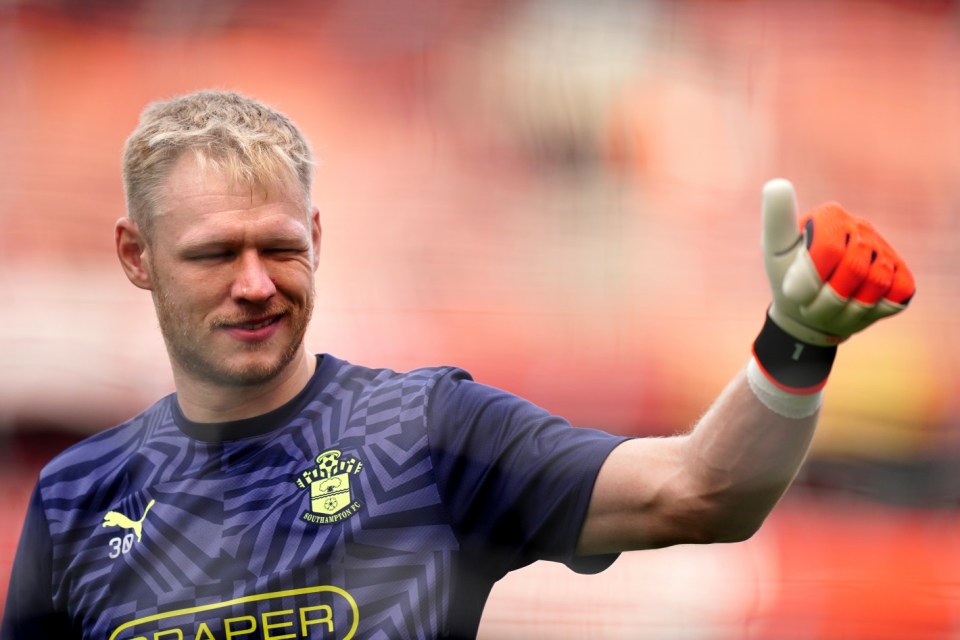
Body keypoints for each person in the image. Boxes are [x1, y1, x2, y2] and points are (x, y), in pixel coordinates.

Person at [1, 90, 915, 640]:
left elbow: (701, 491)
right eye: (212, 253)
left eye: (279, 248)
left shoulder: (429, 434)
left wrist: (796, 342)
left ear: (317, 239)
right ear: (137, 255)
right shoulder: (79, 497)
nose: (254, 285)